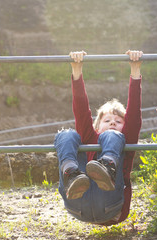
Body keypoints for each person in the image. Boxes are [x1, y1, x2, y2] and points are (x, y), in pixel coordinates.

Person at [54, 50, 143, 225]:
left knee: (113, 137)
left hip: (111, 207)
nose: (112, 123)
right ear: (96, 126)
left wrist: (135, 71)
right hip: (77, 203)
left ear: (125, 127)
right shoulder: (90, 137)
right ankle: (70, 173)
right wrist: (76, 71)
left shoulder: (125, 137)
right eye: (107, 120)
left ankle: (108, 167)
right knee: (67, 134)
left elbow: (133, 113)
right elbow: (81, 110)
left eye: (118, 121)